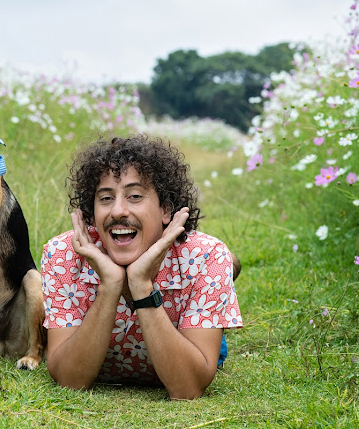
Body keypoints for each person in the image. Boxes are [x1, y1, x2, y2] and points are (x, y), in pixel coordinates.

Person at [41, 135, 242, 400]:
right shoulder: (63, 255)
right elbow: (70, 380)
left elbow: (187, 389)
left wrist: (142, 286)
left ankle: (222, 292)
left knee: (222, 267)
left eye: (135, 196)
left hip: (186, 335)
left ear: (165, 210)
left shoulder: (207, 257)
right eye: (105, 198)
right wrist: (110, 285)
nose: (118, 211)